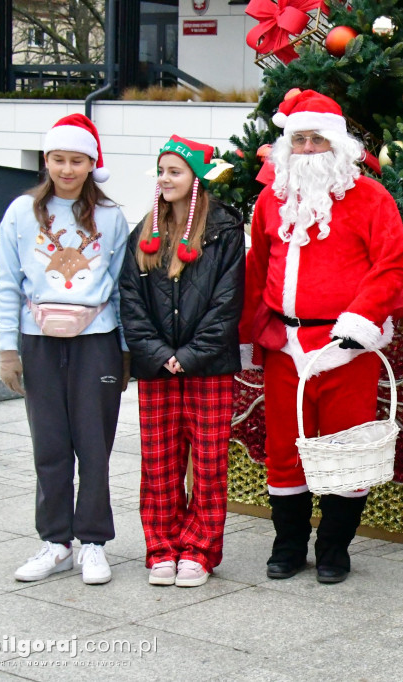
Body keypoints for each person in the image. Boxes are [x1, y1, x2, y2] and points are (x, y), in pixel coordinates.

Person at [240, 90, 403, 585]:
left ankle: (335, 548)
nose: (309, 149)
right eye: (300, 140)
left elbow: (392, 263)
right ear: (287, 146)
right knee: (284, 448)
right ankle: (288, 545)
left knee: (347, 448)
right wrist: (247, 332)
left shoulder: (371, 198)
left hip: (347, 348)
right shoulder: (270, 200)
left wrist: (359, 324)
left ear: (339, 146)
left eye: (317, 139)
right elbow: (256, 269)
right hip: (283, 347)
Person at [0, 113, 129, 585]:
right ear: (45, 160)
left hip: (98, 341)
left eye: (77, 160)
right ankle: (56, 541)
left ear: (92, 163)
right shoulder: (20, 213)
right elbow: (7, 283)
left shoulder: (111, 217)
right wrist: (7, 347)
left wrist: (126, 349)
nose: (67, 169)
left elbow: (120, 287)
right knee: (49, 443)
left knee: (93, 443)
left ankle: (92, 541)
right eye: (58, 159)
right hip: (39, 341)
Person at [119, 135, 244, 588]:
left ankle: (199, 550)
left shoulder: (225, 230)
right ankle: (162, 548)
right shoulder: (144, 232)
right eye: (162, 170)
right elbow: (130, 300)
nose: (166, 178)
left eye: (176, 171)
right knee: (159, 463)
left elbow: (227, 303)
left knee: (209, 464)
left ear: (195, 178)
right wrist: (158, 355)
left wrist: (189, 356)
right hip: (158, 370)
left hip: (208, 367)